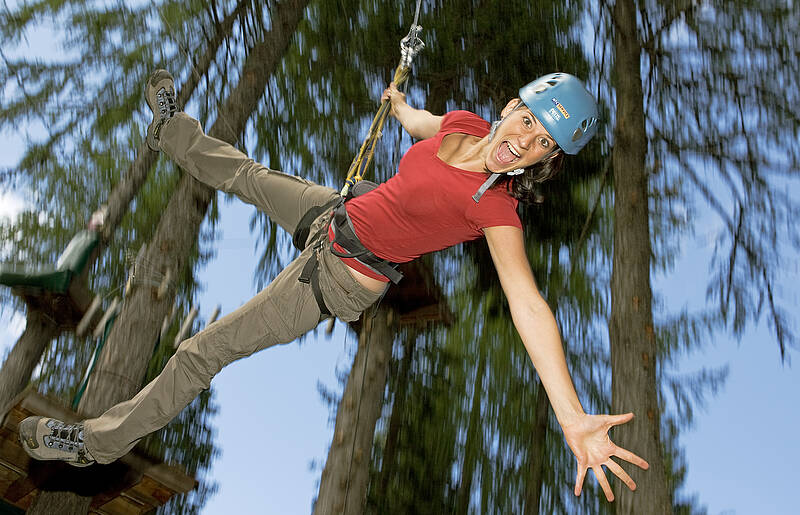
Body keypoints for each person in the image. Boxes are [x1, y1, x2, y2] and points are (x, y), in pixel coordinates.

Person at [19, 69, 648, 502]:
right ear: (512, 105)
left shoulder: (496, 210)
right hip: (339, 211)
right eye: (529, 122)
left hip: (340, 275)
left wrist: (571, 417)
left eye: (541, 146)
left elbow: (528, 305)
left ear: (545, 163)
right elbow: (424, 126)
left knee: (203, 351)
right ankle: (171, 132)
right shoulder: (465, 126)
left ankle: (94, 444)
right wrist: (398, 104)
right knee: (245, 172)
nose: (524, 143)